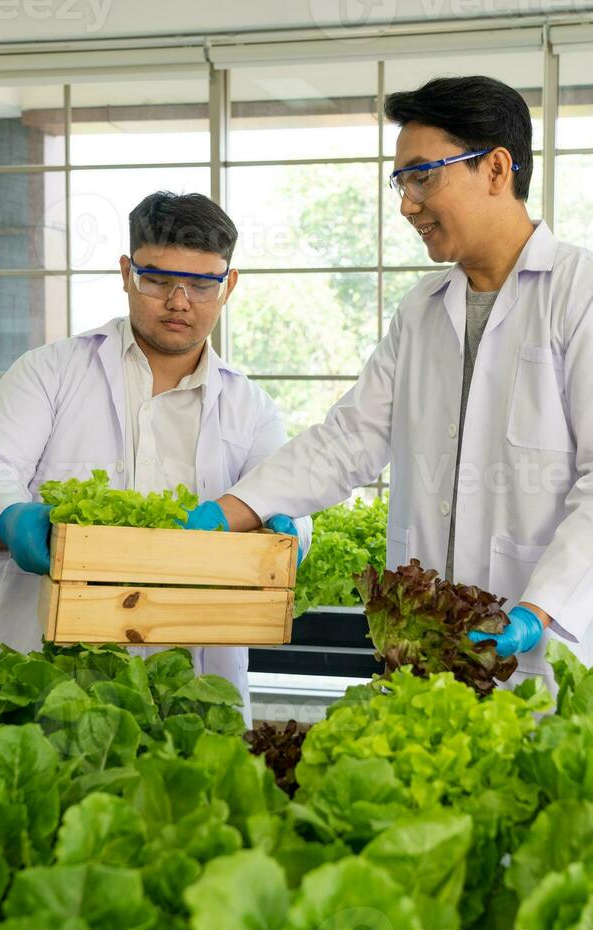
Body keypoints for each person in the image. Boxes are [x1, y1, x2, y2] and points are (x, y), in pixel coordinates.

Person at [181, 76, 593, 687]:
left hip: (544, 654)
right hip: (421, 650)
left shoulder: (578, 294)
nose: (407, 204)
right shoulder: (423, 309)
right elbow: (348, 439)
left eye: (424, 175)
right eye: (401, 181)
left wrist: (538, 611)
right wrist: (233, 509)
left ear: (497, 169)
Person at [0, 191, 311, 724]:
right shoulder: (51, 372)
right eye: (158, 280)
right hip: (49, 674)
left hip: (192, 684)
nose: (179, 301)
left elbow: (287, 497)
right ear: (126, 272)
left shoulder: (250, 406)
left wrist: (286, 526)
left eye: (202, 284)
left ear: (228, 286)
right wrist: (11, 516)